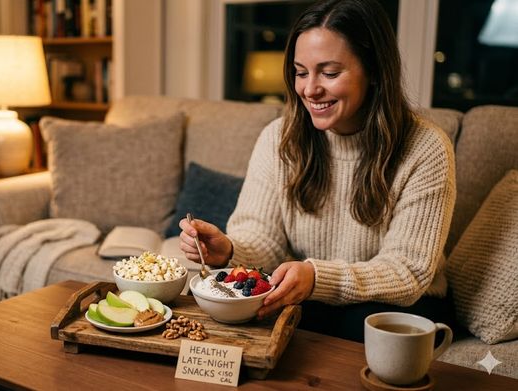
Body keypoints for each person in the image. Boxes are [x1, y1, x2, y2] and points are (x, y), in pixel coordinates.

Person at [178, 0, 456, 342]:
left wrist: (316, 276)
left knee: (344, 330)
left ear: (375, 71)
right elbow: (262, 237)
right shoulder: (279, 138)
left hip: (399, 304)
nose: (310, 89)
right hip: (310, 295)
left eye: (329, 72)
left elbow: (408, 272)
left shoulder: (425, 147)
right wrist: (230, 250)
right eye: (300, 71)